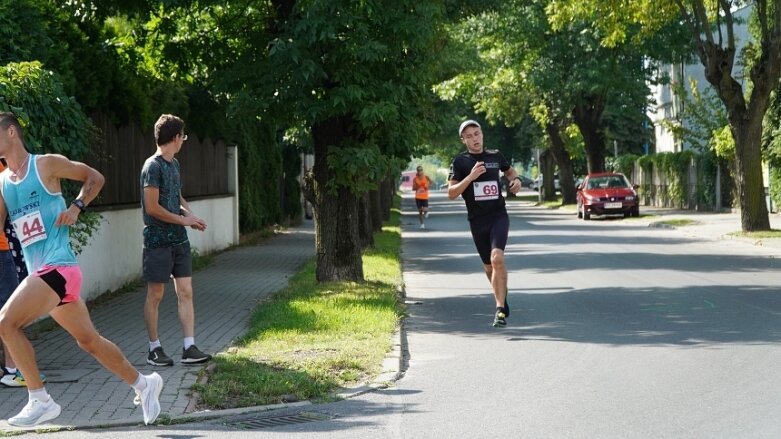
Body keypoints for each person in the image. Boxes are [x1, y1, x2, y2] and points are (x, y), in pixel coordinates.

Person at [0, 112, 163, 427]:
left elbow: (95, 177)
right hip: (45, 275)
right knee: (89, 341)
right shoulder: (4, 181)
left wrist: (76, 206)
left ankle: (40, 400)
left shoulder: (45, 164)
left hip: (58, 268)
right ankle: (145, 384)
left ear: (10, 132)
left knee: (6, 323)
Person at [141, 114, 211, 367]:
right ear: (175, 137)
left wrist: (189, 214)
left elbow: (174, 196)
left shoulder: (174, 164)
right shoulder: (153, 166)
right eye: (183, 136)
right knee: (156, 294)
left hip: (179, 241)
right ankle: (154, 349)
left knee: (186, 292)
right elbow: (152, 208)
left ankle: (189, 346)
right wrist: (184, 221)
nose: (184, 140)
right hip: (158, 241)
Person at [447, 120, 522, 327]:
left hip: (498, 215)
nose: (474, 138)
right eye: (469, 136)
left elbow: (510, 172)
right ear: (463, 140)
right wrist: (470, 177)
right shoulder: (460, 162)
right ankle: (502, 296)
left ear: (482, 135)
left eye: (477, 134)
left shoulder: (494, 156)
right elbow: (451, 193)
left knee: (497, 257)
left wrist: (516, 181)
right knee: (489, 267)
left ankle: (499, 309)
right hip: (477, 220)